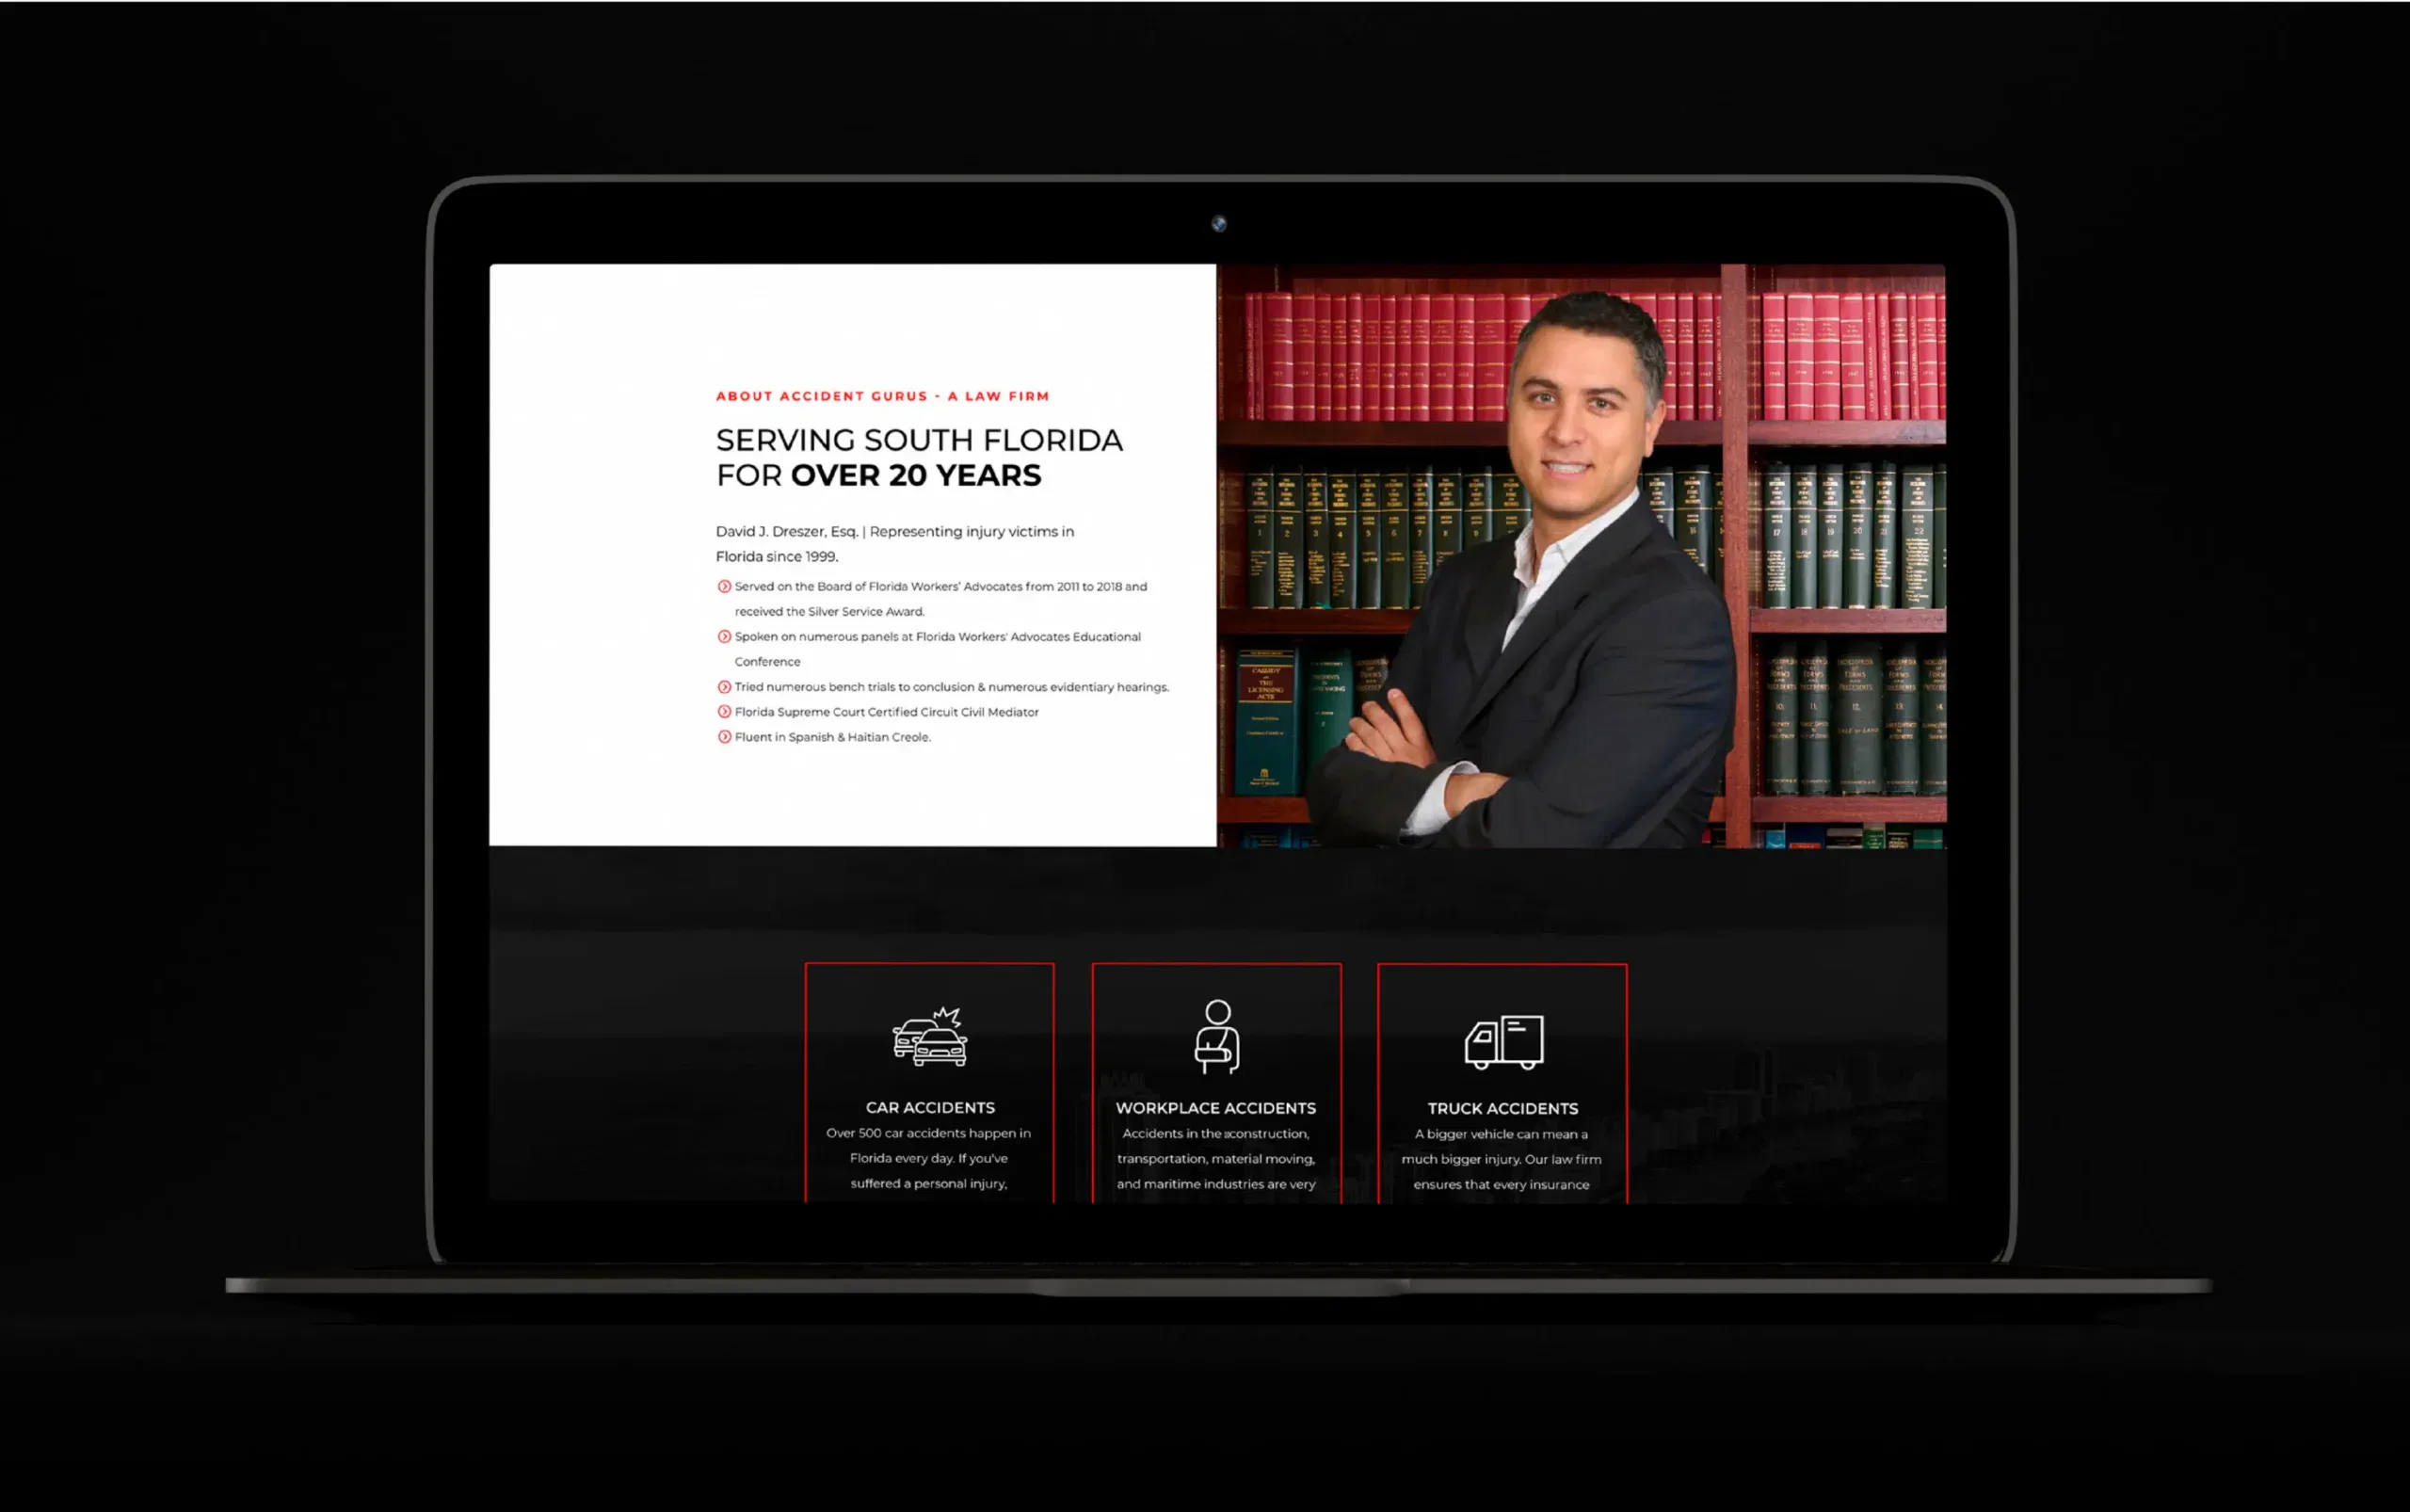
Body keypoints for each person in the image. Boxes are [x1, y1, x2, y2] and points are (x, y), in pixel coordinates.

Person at [1306, 293, 1735, 847]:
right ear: (1511, 407)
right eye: (1543, 397)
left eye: (1601, 403)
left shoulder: (1676, 617)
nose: (1564, 431)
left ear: (1651, 426)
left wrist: (1417, 788)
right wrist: (1460, 790)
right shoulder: (1462, 581)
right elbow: (1336, 787)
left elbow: (1544, 837)